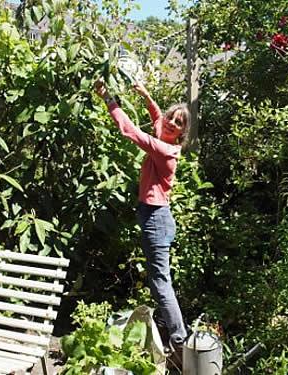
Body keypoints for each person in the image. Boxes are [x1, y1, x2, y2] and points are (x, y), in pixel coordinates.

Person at [95, 79, 190, 356]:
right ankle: (174, 334)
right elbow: (158, 118)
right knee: (159, 280)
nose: (171, 122)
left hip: (156, 219)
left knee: (161, 283)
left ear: (183, 132)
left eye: (179, 122)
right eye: (172, 118)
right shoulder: (166, 137)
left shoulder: (165, 151)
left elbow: (130, 131)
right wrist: (147, 96)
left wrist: (108, 99)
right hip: (155, 216)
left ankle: (180, 342)